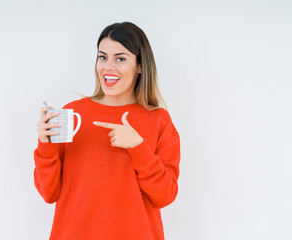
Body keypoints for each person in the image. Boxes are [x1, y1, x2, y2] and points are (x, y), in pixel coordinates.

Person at [34, 21, 181, 240]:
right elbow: (49, 193)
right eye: (102, 57)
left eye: (120, 58)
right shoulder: (72, 114)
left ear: (140, 65)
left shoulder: (158, 120)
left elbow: (165, 196)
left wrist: (138, 148)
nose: (108, 67)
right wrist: (45, 145)